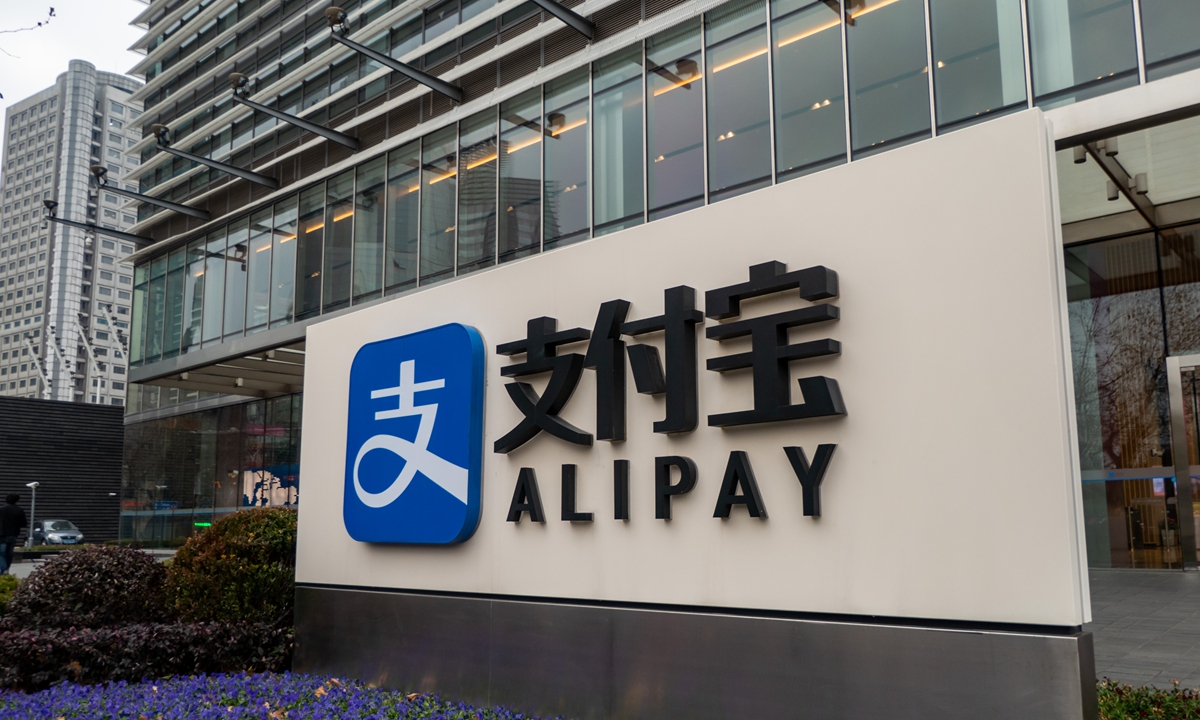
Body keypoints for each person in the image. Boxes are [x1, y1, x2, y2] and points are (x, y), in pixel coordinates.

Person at [0, 494, 27, 575]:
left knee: (1, 553)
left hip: (1, 535)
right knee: (9, 554)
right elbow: (24, 523)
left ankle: (4, 570)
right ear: (16, 501)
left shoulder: (1, 509)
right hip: (13, 534)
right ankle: (6, 569)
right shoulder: (19, 510)